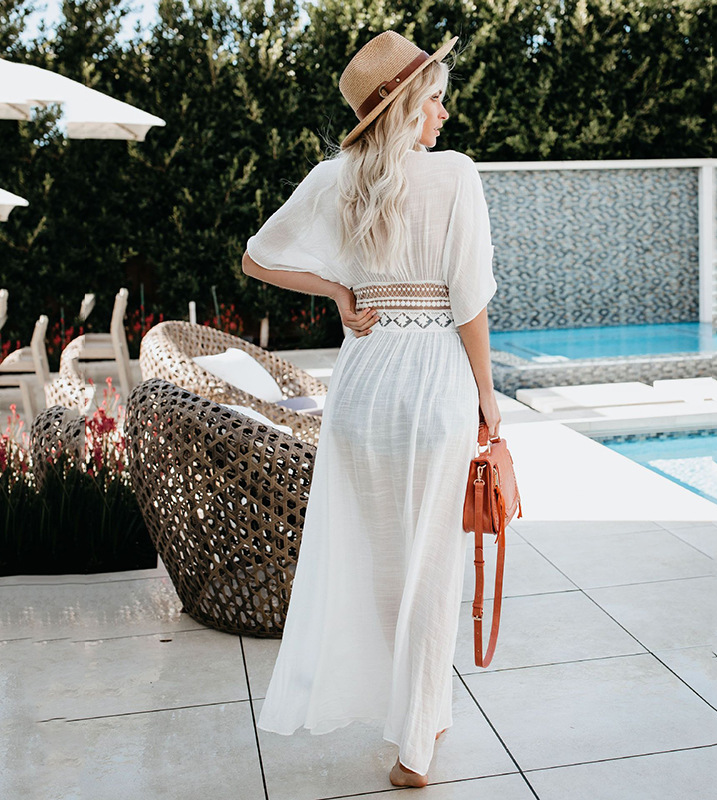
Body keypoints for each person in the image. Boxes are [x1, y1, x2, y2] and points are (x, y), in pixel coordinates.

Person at [241, 29, 500, 788]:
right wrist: (487, 396)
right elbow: (468, 302)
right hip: (434, 382)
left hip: (363, 387)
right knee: (431, 566)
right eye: (436, 97)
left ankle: (422, 710)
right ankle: (416, 743)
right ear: (409, 104)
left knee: (385, 561)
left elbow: (256, 256)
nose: (445, 112)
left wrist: (338, 291)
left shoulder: (336, 177)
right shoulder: (456, 174)